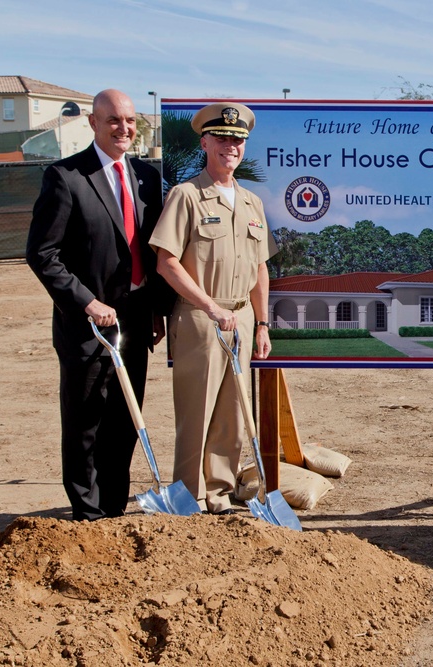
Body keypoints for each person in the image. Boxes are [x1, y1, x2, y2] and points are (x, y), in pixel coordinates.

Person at [26, 89, 168, 521]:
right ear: (93, 123)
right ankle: (86, 512)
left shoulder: (146, 177)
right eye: (113, 121)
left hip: (135, 320)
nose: (124, 128)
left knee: (125, 418)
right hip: (87, 324)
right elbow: (42, 254)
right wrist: (87, 303)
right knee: (86, 422)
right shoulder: (66, 177)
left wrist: (158, 309)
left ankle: (113, 507)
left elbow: (154, 250)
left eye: (129, 120)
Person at [149, 102, 277, 515]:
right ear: (204, 142)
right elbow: (166, 262)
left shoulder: (252, 202)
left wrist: (261, 322)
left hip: (240, 316)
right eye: (222, 138)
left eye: (237, 140)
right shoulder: (186, 196)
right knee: (197, 410)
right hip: (200, 317)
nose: (231, 147)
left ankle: (220, 491)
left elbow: (260, 269)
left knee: (233, 412)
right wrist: (208, 306)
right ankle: (188, 495)